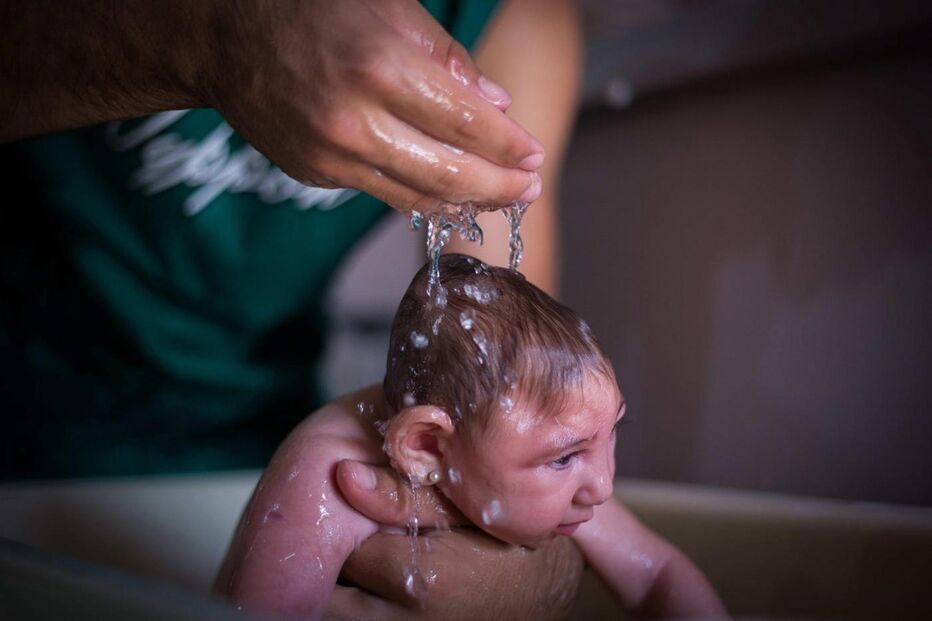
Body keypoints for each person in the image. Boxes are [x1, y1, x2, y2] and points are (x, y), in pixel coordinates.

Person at [1, 0, 585, 616]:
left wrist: (530, 556)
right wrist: (210, 37)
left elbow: (506, 390)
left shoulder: (515, 20)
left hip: (259, 446)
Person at [216, 254, 728, 620]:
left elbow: (657, 573)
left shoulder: (517, 447)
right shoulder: (325, 477)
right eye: (564, 458)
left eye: (612, 433)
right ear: (428, 447)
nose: (602, 486)